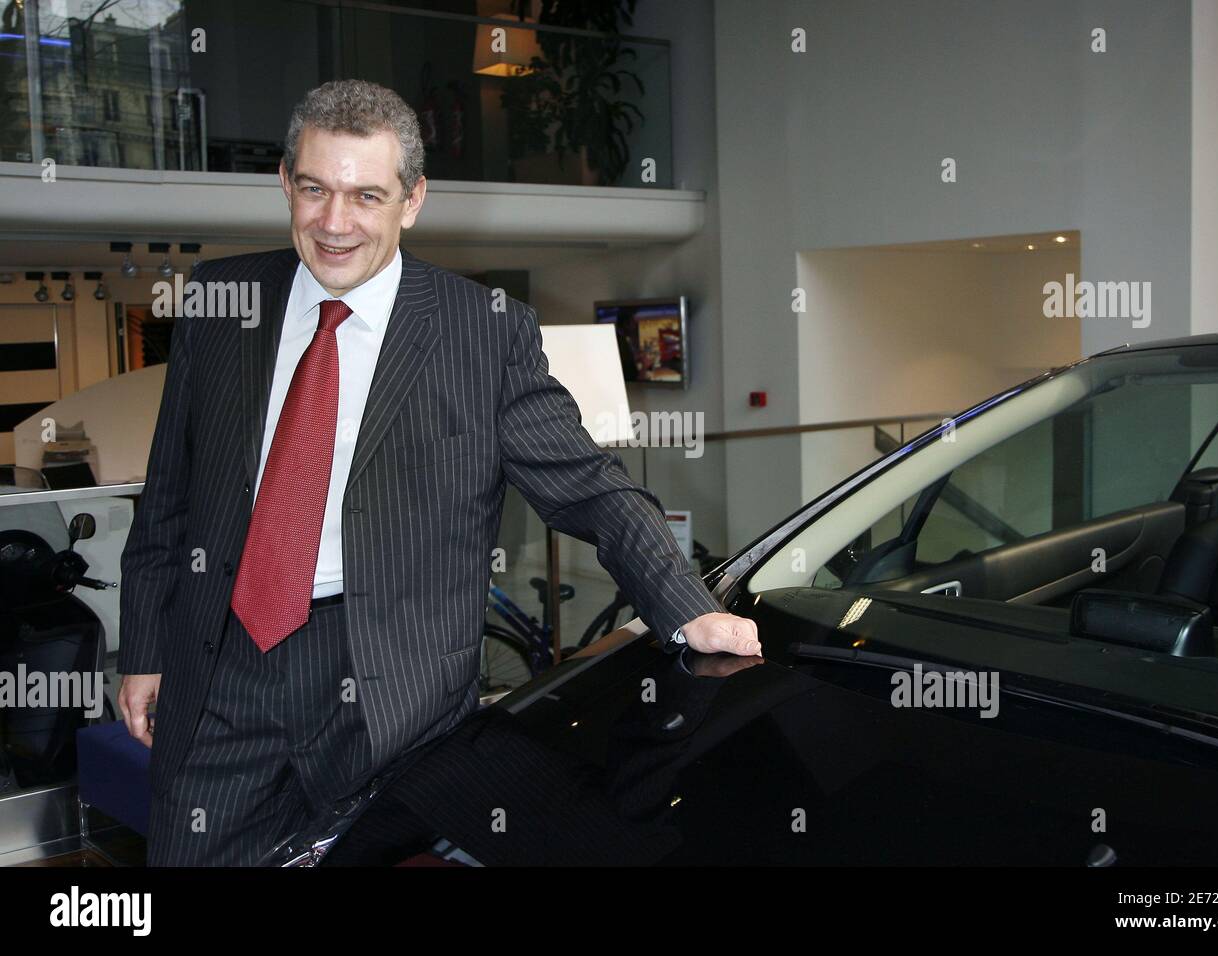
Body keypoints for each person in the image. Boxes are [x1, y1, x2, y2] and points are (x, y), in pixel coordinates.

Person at [116, 79, 761, 866]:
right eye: (315, 189)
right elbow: (170, 499)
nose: (334, 222)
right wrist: (145, 647)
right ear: (285, 181)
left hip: (392, 695)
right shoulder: (222, 298)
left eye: (366, 195)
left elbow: (588, 484)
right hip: (222, 671)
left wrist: (685, 606)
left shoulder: (482, 333)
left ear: (412, 200)